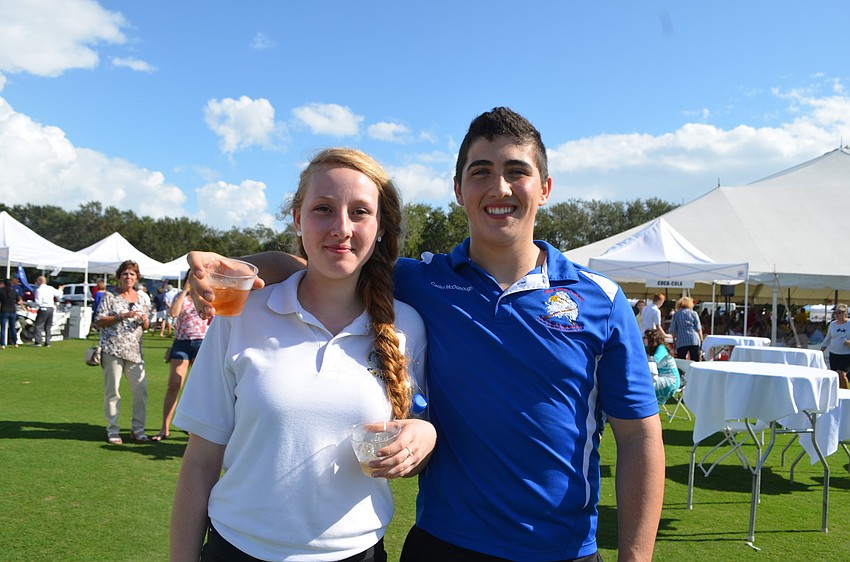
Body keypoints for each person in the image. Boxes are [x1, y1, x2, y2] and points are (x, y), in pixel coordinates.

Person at [186, 108, 664, 561]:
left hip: (561, 549)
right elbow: (330, 264)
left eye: (516, 171)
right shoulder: (423, 281)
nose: (499, 187)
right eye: (480, 171)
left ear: (545, 188)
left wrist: (636, 556)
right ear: (458, 189)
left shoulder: (602, 299)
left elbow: (640, 438)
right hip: (442, 544)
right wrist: (246, 272)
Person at [170, 148, 434, 561]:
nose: (341, 228)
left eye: (360, 212)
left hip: (359, 554)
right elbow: (200, 464)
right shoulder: (240, 314)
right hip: (237, 550)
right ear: (297, 217)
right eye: (323, 209)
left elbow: (412, 439)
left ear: (381, 226)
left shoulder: (409, 326)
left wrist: (425, 437)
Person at [95, 260, 151, 444]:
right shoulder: (110, 296)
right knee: (113, 391)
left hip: (134, 351)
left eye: (132, 274)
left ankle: (138, 429)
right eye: (125, 274)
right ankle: (113, 430)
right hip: (113, 348)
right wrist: (121, 316)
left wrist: (144, 320)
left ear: (137, 277)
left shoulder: (143, 297)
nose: (128, 277)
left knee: (140, 391)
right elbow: (99, 321)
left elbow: (147, 325)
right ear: (119, 277)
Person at [151, 280, 209, 442]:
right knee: (174, 384)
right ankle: (165, 427)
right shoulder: (180, 296)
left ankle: (193, 427)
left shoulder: (206, 296)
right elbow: (173, 313)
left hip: (202, 342)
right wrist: (184, 292)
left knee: (198, 387)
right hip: (181, 342)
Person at [645, 328, 680, 406]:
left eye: (645, 338)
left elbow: (654, 361)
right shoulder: (651, 349)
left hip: (671, 380)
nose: (644, 340)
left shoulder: (661, 348)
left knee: (644, 385)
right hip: (662, 377)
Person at [820, 303, 850, 389]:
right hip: (834, 353)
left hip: (847, 354)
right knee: (834, 375)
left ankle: (846, 394)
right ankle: (837, 392)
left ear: (846, 313)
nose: (837, 315)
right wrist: (821, 351)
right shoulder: (832, 324)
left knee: (841, 374)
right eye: (836, 313)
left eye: (840, 313)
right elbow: (828, 338)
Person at [669, 296, 702, 361]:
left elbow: (673, 330)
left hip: (681, 340)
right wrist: (701, 340)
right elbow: (698, 328)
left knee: (681, 361)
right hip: (694, 339)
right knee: (695, 360)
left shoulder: (676, 314)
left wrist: (674, 342)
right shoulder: (694, 313)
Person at [33, 276, 60, 347]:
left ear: (39, 281)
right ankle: (48, 342)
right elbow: (58, 294)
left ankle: (38, 342)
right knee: (48, 326)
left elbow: (38, 301)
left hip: (43, 308)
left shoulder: (39, 290)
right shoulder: (50, 288)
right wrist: (61, 289)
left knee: (38, 325)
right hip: (51, 308)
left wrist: (33, 305)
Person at [0, 278, 22, 349]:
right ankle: (15, 342)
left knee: (3, 328)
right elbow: (19, 301)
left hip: (4, 310)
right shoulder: (14, 291)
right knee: (12, 327)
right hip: (12, 310)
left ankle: (2, 344)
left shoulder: (1, 291)